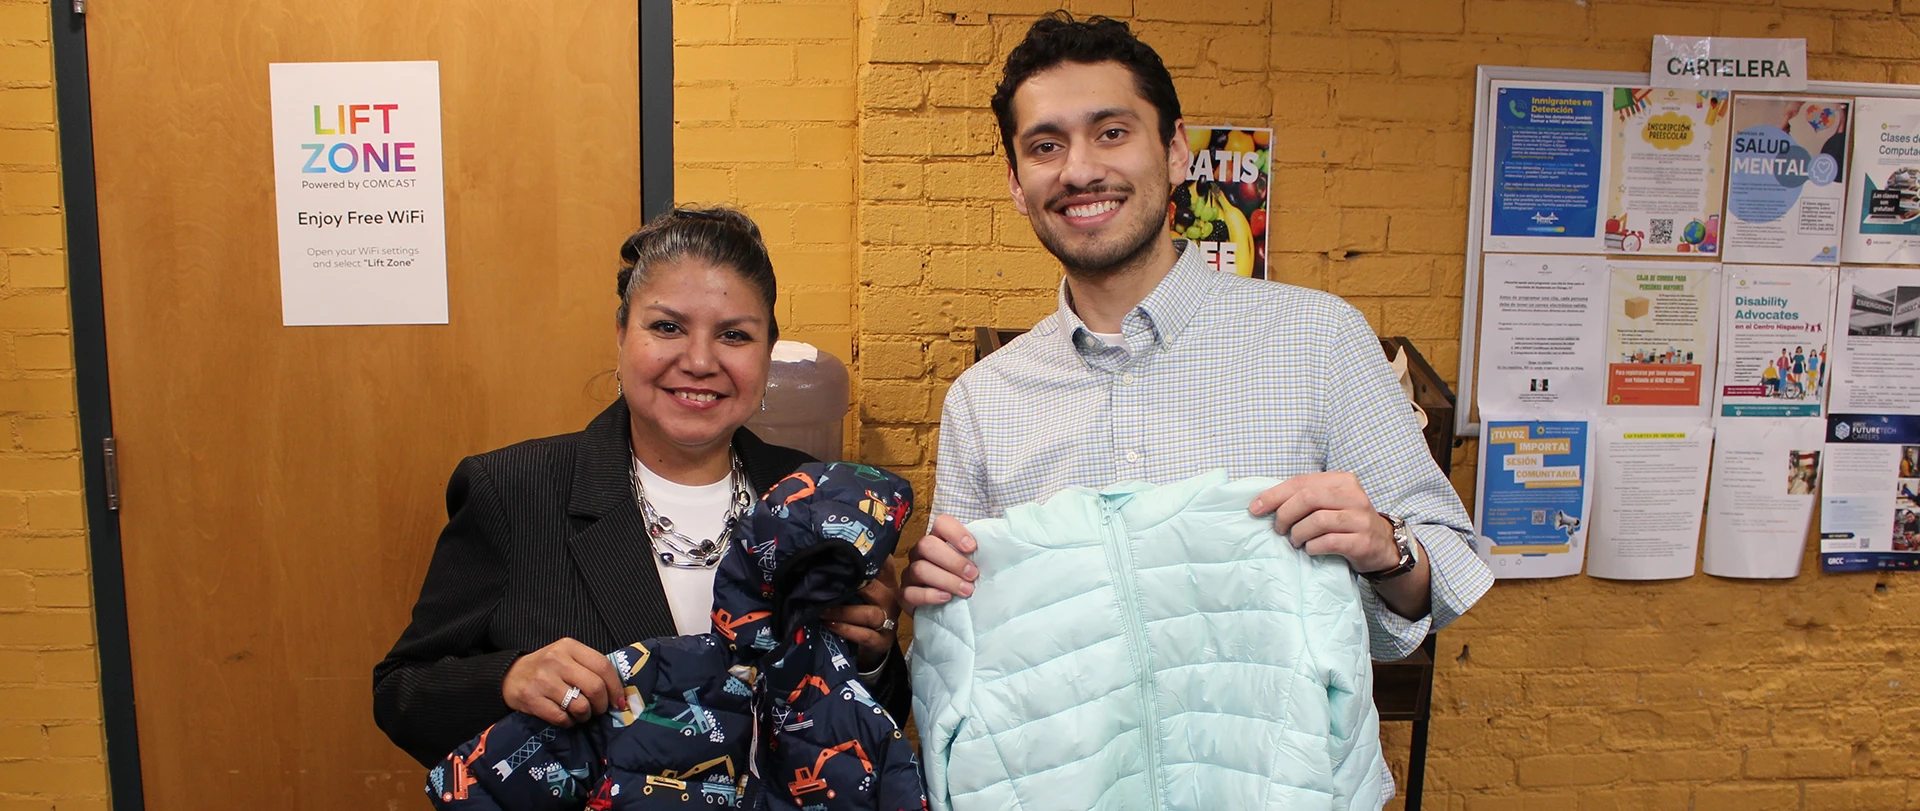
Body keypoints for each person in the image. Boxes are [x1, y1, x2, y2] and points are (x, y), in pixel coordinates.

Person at [902, 11, 1490, 675]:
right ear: (1016, 183)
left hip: (1279, 774)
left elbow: (1444, 572)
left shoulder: (1320, 338)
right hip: (1076, 777)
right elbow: (960, 647)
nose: (1080, 169)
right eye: (1045, 147)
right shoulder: (984, 399)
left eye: (1112, 132)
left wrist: (1390, 548)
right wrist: (938, 597)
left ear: (1176, 150)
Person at [373, 207, 907, 767]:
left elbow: (869, 728)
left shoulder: (812, 494)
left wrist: (872, 656)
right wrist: (508, 679)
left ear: (766, 353)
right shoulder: (513, 491)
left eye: (734, 335)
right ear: (621, 334)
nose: (700, 361)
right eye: (667, 327)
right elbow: (402, 693)